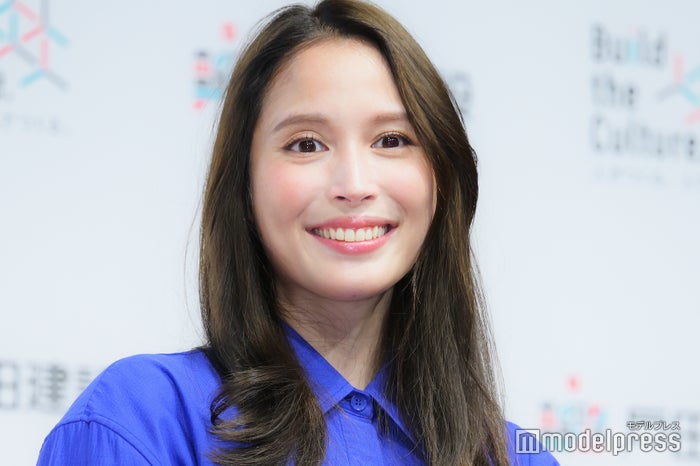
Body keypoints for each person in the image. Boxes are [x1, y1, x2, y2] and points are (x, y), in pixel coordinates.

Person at [38, 0, 559, 464]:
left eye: (392, 139)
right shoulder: (141, 421)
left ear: (441, 177)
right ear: (244, 184)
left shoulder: (514, 457)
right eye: (306, 144)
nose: (354, 185)